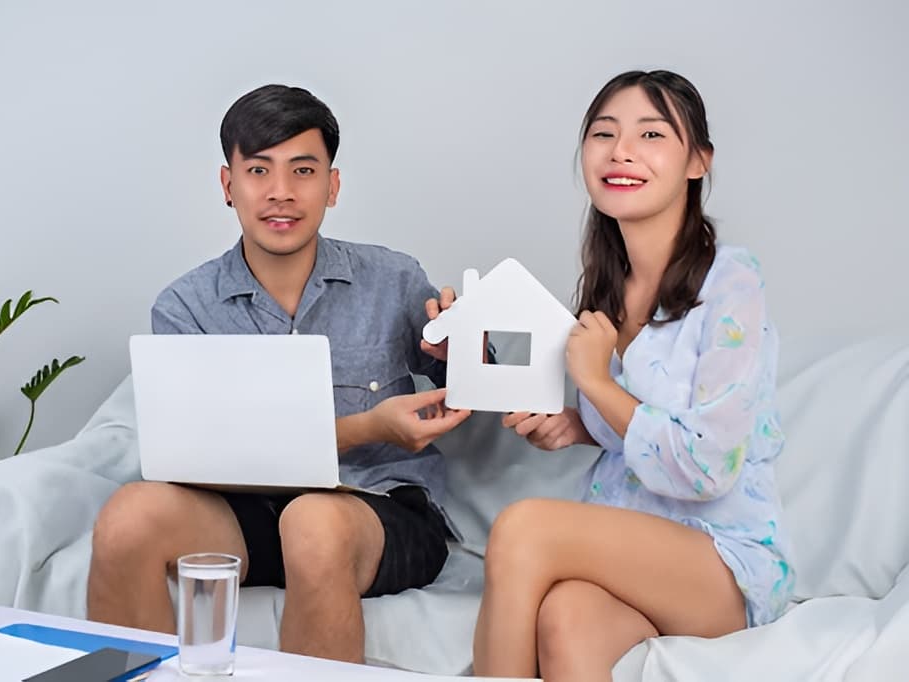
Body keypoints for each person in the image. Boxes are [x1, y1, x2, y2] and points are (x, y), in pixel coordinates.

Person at [86, 84, 469, 664]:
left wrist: (461, 352)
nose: (281, 193)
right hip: (249, 513)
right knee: (127, 518)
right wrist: (368, 426)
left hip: (381, 508)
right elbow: (205, 453)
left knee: (314, 521)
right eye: (259, 170)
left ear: (332, 186)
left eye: (303, 170)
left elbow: (471, 382)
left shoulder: (392, 279)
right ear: (228, 185)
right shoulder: (186, 305)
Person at [471, 70, 795, 681]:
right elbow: (641, 422)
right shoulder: (606, 289)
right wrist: (576, 425)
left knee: (522, 528)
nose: (621, 152)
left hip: (722, 563)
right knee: (565, 619)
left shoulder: (731, 282)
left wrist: (596, 386)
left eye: (651, 134)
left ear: (697, 161)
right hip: (631, 551)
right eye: (604, 134)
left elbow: (708, 464)